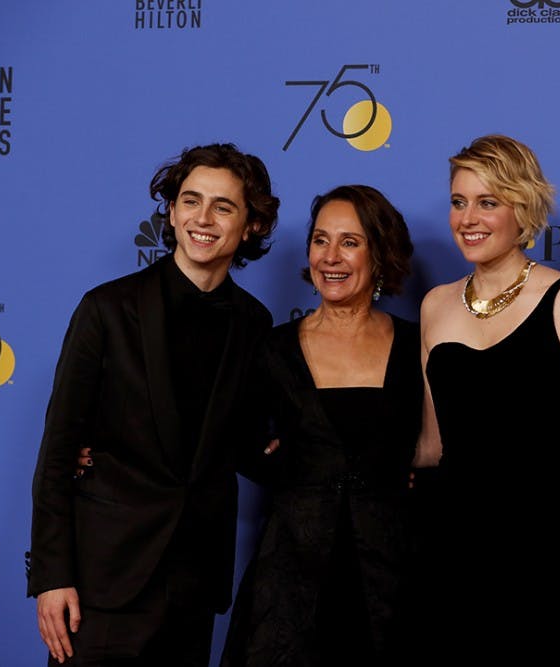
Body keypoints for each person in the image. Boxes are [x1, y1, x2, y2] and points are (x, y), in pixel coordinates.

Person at [27, 143, 279, 666]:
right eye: (190, 201)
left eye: (223, 206)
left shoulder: (254, 324)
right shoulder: (107, 309)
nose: (202, 219)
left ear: (251, 224)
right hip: (104, 583)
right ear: (171, 211)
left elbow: (244, 446)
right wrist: (52, 577)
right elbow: (58, 452)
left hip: (194, 583)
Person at [408, 134, 560, 663]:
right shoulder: (435, 306)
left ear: (523, 209)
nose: (467, 218)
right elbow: (431, 444)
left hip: (545, 551)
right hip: (451, 549)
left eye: (487, 202)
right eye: (458, 202)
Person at [219, 185, 422, 666]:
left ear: (380, 251)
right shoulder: (271, 349)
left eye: (350, 242)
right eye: (321, 240)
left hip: (395, 577)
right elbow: (231, 440)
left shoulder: (419, 345)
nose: (331, 257)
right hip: (291, 577)